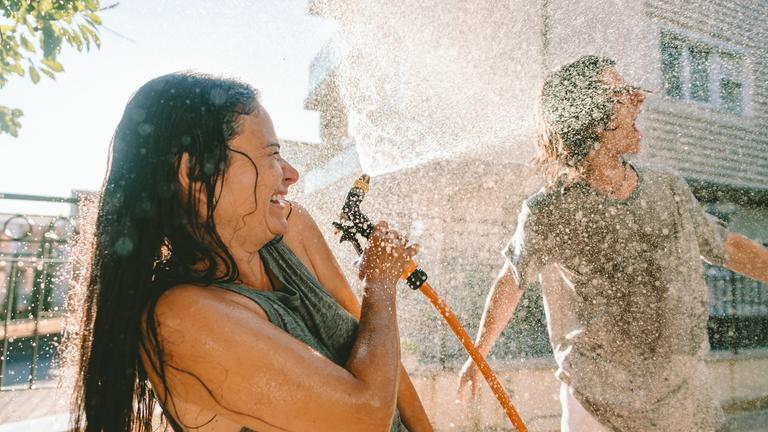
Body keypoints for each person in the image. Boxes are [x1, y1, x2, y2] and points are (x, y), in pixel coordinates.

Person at [70, 72, 433, 432]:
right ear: (195, 172)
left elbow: (382, 358)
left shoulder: (292, 228)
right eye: (272, 155)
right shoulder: (181, 320)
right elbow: (366, 418)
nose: (291, 173)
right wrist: (379, 283)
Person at [457, 55, 768, 431]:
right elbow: (511, 278)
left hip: (684, 405)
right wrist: (478, 354)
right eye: (621, 93)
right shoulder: (550, 210)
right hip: (596, 408)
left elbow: (726, 246)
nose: (639, 97)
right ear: (587, 117)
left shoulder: (668, 190)